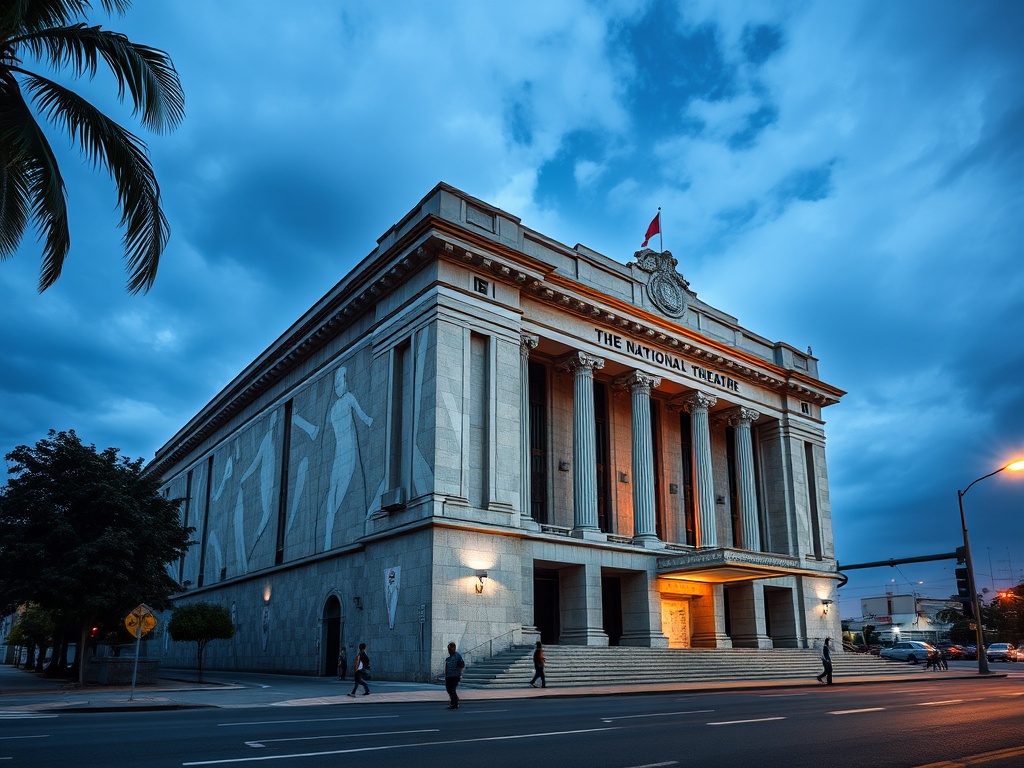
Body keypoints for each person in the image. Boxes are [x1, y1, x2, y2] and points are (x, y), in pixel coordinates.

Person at [444, 642, 465, 709]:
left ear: (454, 648)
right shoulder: (448, 658)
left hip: (455, 676)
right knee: (449, 689)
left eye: (451, 648)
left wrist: (460, 674)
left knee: (452, 689)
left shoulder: (457, 656)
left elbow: (462, 665)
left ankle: (454, 703)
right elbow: (446, 667)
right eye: (449, 648)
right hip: (449, 676)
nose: (449, 650)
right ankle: (455, 699)